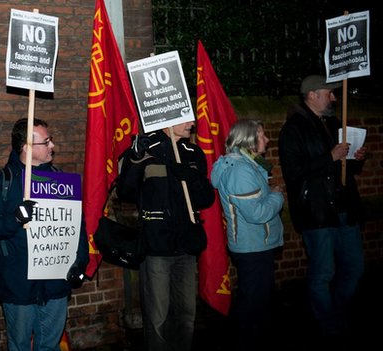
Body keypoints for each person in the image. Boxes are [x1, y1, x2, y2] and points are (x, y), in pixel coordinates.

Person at [0, 118, 89, 351]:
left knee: (50, 345)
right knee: (20, 346)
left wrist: (80, 262)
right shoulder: (2, 182)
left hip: (55, 283)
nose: (52, 146)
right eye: (46, 142)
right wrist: (14, 219)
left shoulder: (60, 180)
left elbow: (77, 226)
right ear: (26, 147)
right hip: (19, 284)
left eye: (51, 140)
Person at [278, 75, 367, 344]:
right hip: (316, 213)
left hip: (343, 208)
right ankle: (328, 323)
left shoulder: (331, 123)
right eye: (329, 93)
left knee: (354, 266)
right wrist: (330, 157)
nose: (334, 98)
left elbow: (341, 167)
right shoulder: (293, 129)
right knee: (323, 272)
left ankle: (337, 312)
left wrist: (354, 159)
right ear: (313, 95)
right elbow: (294, 173)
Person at [115, 121, 215, 351]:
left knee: (186, 313)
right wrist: (135, 157)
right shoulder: (148, 149)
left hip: (186, 246)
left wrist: (191, 177)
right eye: (185, 117)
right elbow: (126, 191)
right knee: (158, 316)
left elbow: (206, 198)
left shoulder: (193, 152)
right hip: (157, 247)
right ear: (168, 120)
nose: (192, 123)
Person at [210, 119, 284, 351]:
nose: (267, 140)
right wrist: (277, 196)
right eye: (261, 136)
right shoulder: (241, 170)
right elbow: (257, 213)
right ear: (249, 140)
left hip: (255, 244)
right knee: (253, 304)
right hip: (252, 246)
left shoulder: (248, 164)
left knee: (255, 302)